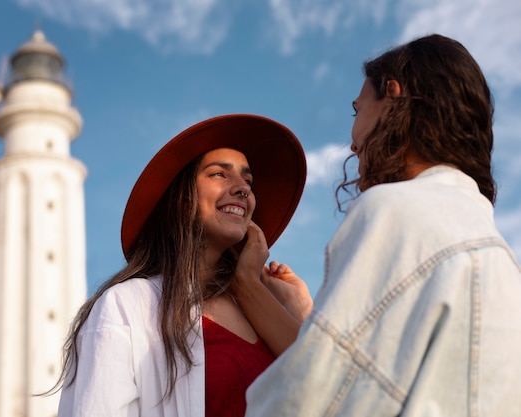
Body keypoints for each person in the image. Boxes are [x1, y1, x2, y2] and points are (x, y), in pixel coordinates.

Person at [244, 34, 521, 416]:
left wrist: (245, 284)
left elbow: (314, 397)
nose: (354, 141)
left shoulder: (395, 210)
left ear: (391, 96)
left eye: (357, 109)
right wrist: (308, 315)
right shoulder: (504, 261)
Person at [55, 114, 312, 416]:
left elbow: (335, 393)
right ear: (182, 195)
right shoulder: (128, 305)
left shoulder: (262, 308)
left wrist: (302, 312)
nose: (242, 187)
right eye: (219, 174)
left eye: (248, 180)